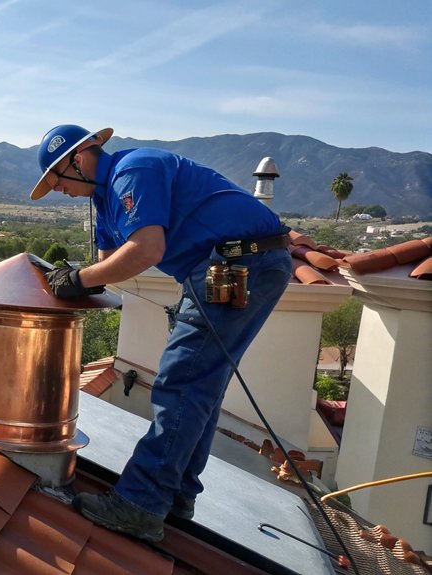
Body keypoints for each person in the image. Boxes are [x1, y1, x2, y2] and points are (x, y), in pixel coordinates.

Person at [33, 124, 292, 542]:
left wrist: (79, 278)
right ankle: (176, 493)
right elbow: (109, 262)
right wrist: (81, 276)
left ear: (78, 160)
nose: (58, 189)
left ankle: (141, 503)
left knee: (182, 382)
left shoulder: (133, 171)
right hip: (238, 265)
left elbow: (145, 251)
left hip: (240, 265)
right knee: (201, 386)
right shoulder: (106, 199)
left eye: (57, 179)